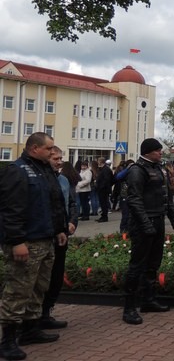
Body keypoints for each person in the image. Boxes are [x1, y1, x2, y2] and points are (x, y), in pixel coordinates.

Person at [0, 133, 67, 359]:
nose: (52, 153)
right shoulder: (17, 171)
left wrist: (59, 229)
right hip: (26, 242)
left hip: (45, 239)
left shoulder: (43, 170)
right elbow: (11, 210)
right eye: (49, 149)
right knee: (18, 290)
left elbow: (53, 204)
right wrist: (17, 241)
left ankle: (30, 329)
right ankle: (7, 340)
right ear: (35, 148)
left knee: (39, 287)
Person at [122, 138, 174, 325]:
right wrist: (146, 224)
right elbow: (134, 199)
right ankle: (129, 308)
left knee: (154, 263)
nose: (160, 153)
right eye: (157, 150)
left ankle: (148, 300)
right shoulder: (137, 170)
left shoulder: (159, 169)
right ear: (147, 152)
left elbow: (167, 196)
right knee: (137, 265)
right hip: (142, 223)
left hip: (158, 220)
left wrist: (173, 218)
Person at [41, 146, 79, 330]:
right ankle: (33, 318)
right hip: (44, 235)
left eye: (61, 158)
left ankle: (46, 312)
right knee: (41, 278)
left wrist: (72, 221)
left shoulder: (63, 179)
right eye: (55, 158)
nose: (60, 161)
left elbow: (72, 203)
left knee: (56, 276)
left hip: (62, 235)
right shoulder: (40, 179)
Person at [95, 156, 114, 223]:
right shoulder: (102, 169)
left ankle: (105, 217)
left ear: (100, 162)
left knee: (104, 203)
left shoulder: (106, 169)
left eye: (98, 161)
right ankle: (103, 215)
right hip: (101, 189)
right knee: (102, 203)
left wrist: (101, 186)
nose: (97, 162)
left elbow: (107, 180)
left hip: (103, 189)